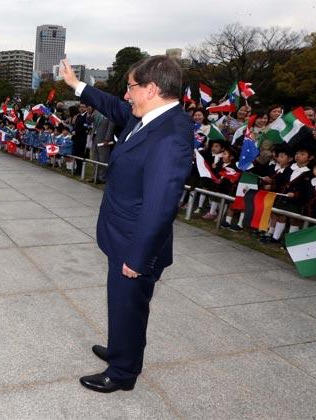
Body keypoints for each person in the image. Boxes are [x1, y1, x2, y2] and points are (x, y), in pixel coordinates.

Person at [61, 56, 193, 393]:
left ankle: (122, 373)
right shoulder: (148, 116)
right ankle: (122, 349)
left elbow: (160, 205)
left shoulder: (170, 135)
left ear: (152, 88)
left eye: (131, 87)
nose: (126, 94)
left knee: (129, 306)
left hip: (135, 244)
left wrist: (138, 256)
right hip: (121, 236)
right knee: (122, 304)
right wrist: (77, 85)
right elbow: (113, 106)